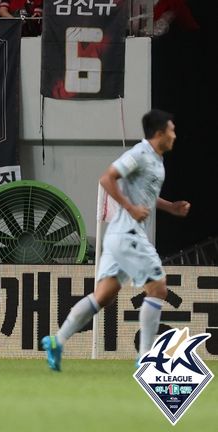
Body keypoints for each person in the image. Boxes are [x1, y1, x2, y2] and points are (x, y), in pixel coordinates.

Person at [42, 109, 191, 371]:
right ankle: (145, 357)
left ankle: (57, 340)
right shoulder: (140, 153)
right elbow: (107, 178)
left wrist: (170, 207)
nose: (174, 135)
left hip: (119, 236)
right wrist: (130, 208)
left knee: (103, 296)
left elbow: (144, 193)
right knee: (158, 289)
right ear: (159, 133)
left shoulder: (155, 159)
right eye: (171, 130)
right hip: (127, 233)